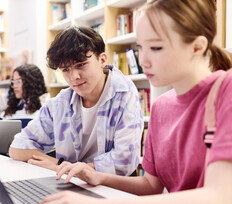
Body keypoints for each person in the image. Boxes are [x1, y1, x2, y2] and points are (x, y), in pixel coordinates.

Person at [35, 0, 232, 204]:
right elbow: (151, 186)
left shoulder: (226, 90)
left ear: (197, 47)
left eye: (156, 48)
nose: (143, 60)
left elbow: (221, 203)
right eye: (140, 47)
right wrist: (98, 176)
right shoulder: (161, 107)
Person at [9, 26, 143, 175]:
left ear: (102, 60)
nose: (74, 77)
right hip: (71, 182)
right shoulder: (61, 102)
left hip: (112, 188)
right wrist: (60, 165)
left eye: (81, 65)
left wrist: (64, 169)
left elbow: (124, 162)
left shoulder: (124, 94)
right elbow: (17, 148)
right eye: (65, 69)